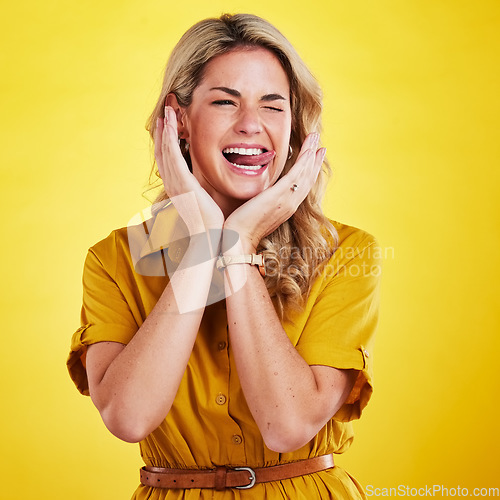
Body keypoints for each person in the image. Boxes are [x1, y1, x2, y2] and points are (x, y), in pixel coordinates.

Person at [67, 13, 381, 499]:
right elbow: (128, 417)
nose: (251, 125)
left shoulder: (345, 253)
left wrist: (235, 247)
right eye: (224, 102)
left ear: (294, 124)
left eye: (273, 106)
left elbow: (286, 424)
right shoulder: (115, 260)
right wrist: (206, 240)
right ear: (179, 120)